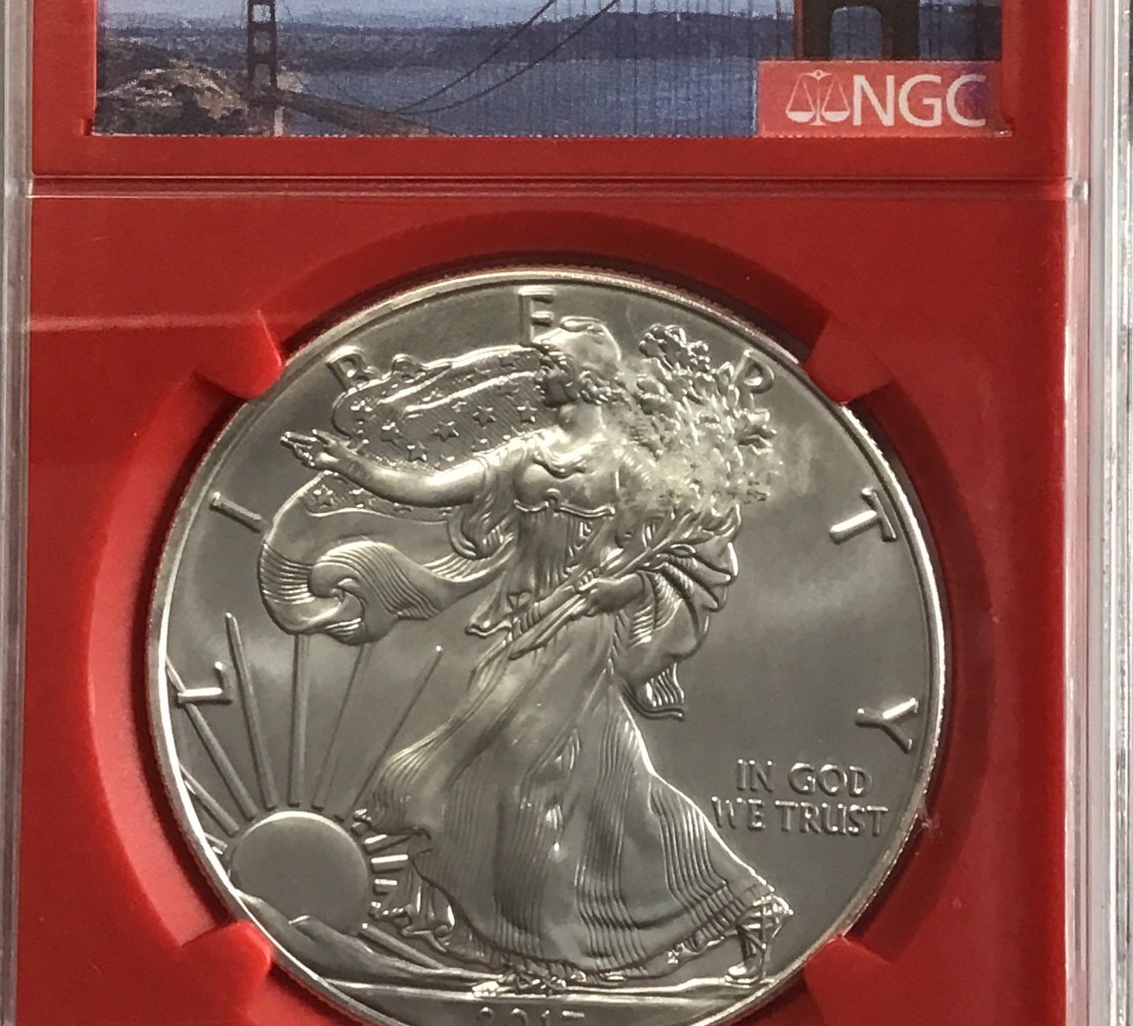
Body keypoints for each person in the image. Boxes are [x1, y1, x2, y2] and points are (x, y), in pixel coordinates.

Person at [259, 314, 788, 989]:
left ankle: (546, 958)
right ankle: (742, 903)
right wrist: (351, 466)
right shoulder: (527, 452)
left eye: (552, 364)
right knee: (615, 794)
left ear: (587, 378)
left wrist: (620, 587)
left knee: (517, 782)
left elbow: (688, 555)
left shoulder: (629, 465)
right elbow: (434, 487)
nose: (541, 375)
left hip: (580, 634)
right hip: (523, 628)